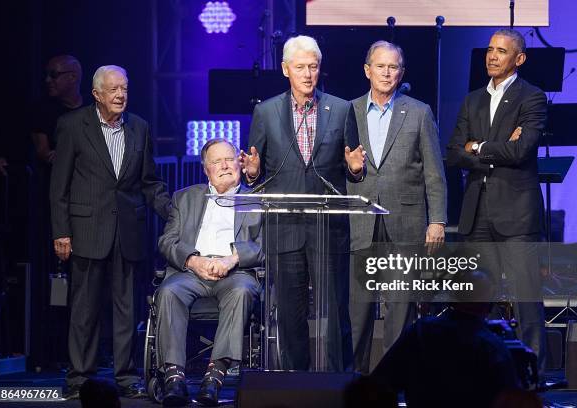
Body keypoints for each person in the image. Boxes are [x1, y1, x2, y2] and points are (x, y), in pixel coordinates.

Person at [239, 35, 366, 371]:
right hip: (286, 228)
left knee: (335, 312)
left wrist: (356, 170)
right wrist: (251, 175)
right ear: (285, 70)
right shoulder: (265, 112)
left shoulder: (340, 109)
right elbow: (257, 170)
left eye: (313, 66)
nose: (308, 74)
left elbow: (352, 167)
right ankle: (296, 381)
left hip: (329, 229)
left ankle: (340, 382)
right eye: (300, 67)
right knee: (291, 313)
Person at [50, 65, 170, 399]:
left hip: (128, 232)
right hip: (86, 229)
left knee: (126, 310)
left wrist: (174, 212)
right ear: (97, 94)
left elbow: (148, 182)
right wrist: (61, 231)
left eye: (125, 89)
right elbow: (58, 185)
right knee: (84, 310)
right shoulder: (73, 125)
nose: (121, 95)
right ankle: (79, 379)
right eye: (114, 90)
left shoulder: (140, 128)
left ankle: (125, 376)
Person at [446, 29, 547, 371]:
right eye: (490, 49)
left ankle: (534, 380)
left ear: (519, 59)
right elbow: (454, 154)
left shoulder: (532, 97)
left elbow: (521, 151)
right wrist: (491, 148)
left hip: (517, 215)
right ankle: (476, 375)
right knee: (473, 303)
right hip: (477, 214)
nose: (492, 56)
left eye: (501, 51)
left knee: (526, 302)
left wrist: (479, 146)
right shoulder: (471, 99)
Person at [347, 40, 447, 374]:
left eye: (393, 67)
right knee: (358, 313)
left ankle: (393, 383)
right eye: (380, 66)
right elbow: (339, 168)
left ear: (401, 72)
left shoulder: (419, 112)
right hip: (360, 223)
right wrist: (353, 170)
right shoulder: (350, 111)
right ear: (367, 70)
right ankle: (354, 383)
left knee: (399, 313)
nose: (387, 73)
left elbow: (435, 172)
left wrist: (437, 222)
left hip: (405, 222)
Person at [156, 139, 262, 407]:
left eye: (229, 159)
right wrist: (193, 261)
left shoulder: (257, 199)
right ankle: (174, 378)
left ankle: (214, 378)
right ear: (206, 169)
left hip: (235, 272)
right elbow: (167, 241)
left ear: (239, 162)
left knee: (242, 291)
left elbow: (266, 245)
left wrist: (232, 259)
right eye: (216, 161)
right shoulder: (185, 197)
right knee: (168, 291)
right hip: (192, 272)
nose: (225, 165)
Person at [370, 270, 520, 408]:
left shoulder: (420, 333)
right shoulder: (494, 347)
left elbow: (376, 387)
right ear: (489, 304)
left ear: (452, 298)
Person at [30, 54, 85, 369]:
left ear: (72, 77)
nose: (48, 81)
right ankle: (51, 348)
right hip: (53, 206)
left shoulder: (89, 113)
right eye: (47, 75)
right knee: (55, 279)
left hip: (86, 208)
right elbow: (44, 153)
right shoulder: (44, 111)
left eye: (54, 75)